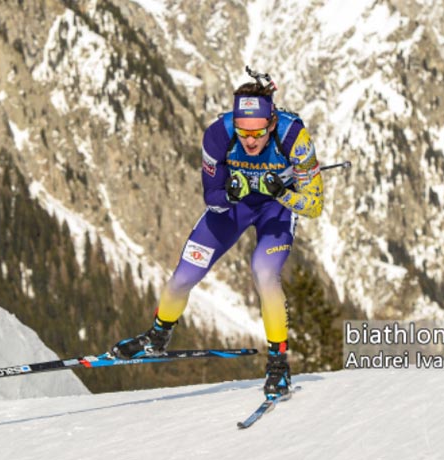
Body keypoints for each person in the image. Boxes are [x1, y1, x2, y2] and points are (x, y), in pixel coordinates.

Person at [112, 67, 324, 397]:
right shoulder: (217, 135)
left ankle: (279, 363)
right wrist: (231, 193)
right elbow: (211, 196)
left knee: (264, 273)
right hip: (234, 208)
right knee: (184, 275)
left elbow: (313, 206)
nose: (251, 141)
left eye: (258, 133)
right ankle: (157, 335)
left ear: (271, 123)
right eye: (243, 132)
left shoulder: (294, 137)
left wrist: (282, 192)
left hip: (275, 210)